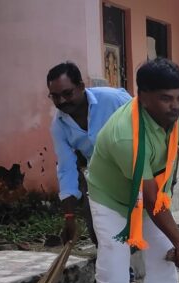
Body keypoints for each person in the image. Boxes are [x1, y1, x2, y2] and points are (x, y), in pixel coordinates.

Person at [87, 58, 179, 283]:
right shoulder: (126, 135)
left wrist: (167, 194)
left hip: (150, 192)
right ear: (142, 96)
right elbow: (148, 200)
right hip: (112, 199)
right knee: (115, 260)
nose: (175, 106)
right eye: (165, 98)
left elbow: (170, 159)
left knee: (163, 257)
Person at [48, 61, 131, 245]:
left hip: (133, 170)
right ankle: (124, 272)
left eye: (67, 93)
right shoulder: (59, 126)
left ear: (81, 87)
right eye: (55, 96)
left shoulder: (113, 99)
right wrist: (69, 216)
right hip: (98, 178)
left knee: (145, 227)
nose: (61, 101)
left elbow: (144, 125)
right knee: (99, 232)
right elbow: (66, 169)